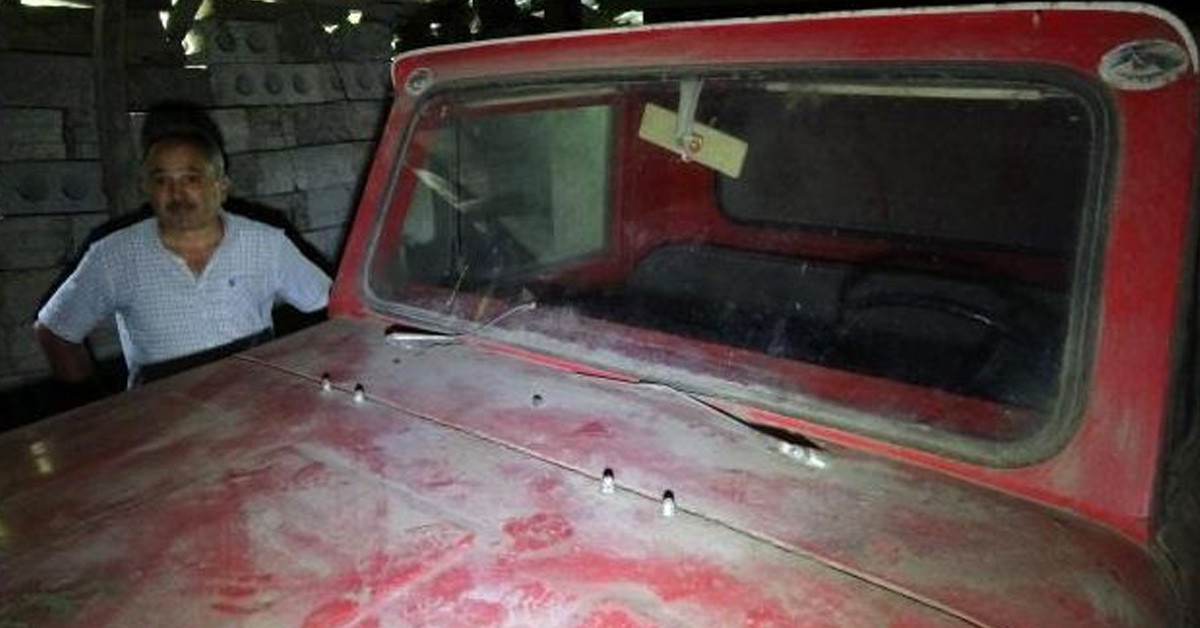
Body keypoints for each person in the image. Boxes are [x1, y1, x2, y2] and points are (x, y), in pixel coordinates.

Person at [34, 108, 331, 387]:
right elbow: (54, 331)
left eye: (192, 178)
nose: (176, 193)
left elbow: (330, 304)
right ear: (146, 188)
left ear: (221, 186)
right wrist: (94, 409)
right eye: (161, 180)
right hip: (164, 415)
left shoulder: (266, 244)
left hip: (251, 403)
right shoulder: (114, 256)